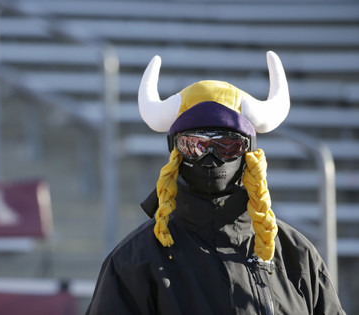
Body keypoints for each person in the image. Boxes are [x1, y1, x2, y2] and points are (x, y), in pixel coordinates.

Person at [86, 52, 344, 314]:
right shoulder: (134, 261)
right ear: (176, 152)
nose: (210, 158)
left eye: (227, 145)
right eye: (195, 145)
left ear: (248, 154)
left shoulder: (295, 255)